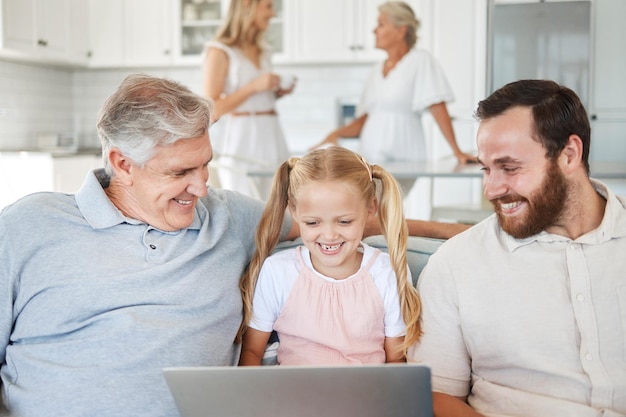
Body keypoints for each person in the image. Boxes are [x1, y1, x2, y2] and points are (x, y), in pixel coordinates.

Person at [0, 73, 469, 416]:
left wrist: (461, 233)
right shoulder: (29, 226)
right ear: (122, 163)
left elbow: (340, 221)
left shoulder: (228, 215)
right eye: (180, 172)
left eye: (205, 165)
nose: (201, 187)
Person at [408, 79, 626, 417]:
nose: (492, 189)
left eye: (509, 168)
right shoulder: (456, 265)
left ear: (570, 154)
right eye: (486, 169)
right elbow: (436, 396)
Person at [238, 146, 422, 366]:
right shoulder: (278, 271)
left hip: (365, 397)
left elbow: (395, 361)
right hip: (292, 396)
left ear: (370, 207)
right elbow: (250, 352)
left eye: (344, 221)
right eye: (312, 223)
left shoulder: (385, 272)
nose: (329, 235)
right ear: (294, 212)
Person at [313, 1, 476, 194]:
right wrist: (335, 134)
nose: (374, 30)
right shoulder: (375, 71)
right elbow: (363, 120)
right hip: (370, 159)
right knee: (371, 212)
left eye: (381, 24)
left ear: (401, 30)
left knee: (385, 211)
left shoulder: (419, 61)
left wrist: (457, 151)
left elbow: (437, 106)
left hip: (404, 159)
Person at [202, 0, 294, 200]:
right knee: (246, 204)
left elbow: (255, 97)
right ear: (247, 5)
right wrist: (254, 86)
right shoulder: (220, 50)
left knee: (280, 204)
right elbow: (212, 109)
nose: (272, 14)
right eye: (268, 6)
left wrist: (276, 92)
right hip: (242, 138)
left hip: (272, 133)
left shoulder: (264, 50)